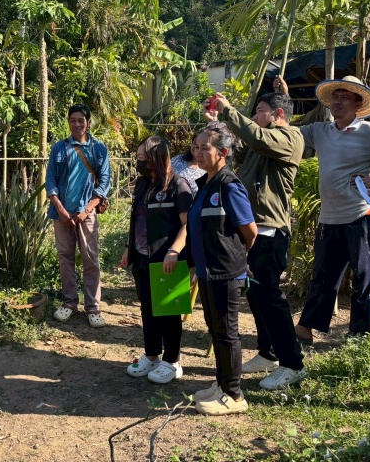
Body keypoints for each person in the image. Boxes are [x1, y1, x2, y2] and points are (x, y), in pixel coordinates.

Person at [276, 76, 370, 343]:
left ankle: (358, 336)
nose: (337, 102)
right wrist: (284, 100)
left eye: (345, 97)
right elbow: (288, 134)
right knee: (323, 276)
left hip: (361, 214)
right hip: (329, 216)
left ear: (358, 104)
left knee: (364, 278)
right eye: (335, 97)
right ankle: (306, 328)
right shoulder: (319, 131)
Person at [212, 91, 307, 390]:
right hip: (251, 230)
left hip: (270, 231)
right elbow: (241, 148)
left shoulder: (290, 137)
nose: (255, 116)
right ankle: (269, 353)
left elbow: (256, 136)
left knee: (270, 297)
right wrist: (217, 123)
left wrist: (230, 110)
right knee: (255, 296)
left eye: (260, 111)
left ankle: (293, 364)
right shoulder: (260, 142)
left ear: (278, 114)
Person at [189, 123, 257, 416]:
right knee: (215, 330)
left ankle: (234, 395)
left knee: (227, 333)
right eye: (196, 147)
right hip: (207, 271)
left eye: (205, 148)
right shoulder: (205, 184)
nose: (198, 152)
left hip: (226, 272)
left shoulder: (229, 186)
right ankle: (221, 383)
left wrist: (235, 260)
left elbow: (250, 232)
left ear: (223, 153)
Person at [122, 136, 192, 384]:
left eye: (143, 158)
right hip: (142, 257)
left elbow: (187, 225)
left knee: (169, 311)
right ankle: (152, 355)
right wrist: (129, 248)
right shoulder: (143, 184)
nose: (139, 162)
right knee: (148, 308)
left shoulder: (178, 185)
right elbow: (137, 219)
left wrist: (174, 251)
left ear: (157, 158)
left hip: (167, 260)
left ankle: (172, 362)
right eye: (138, 158)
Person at [46, 104, 111, 328]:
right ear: (68, 122)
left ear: (88, 123)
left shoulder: (99, 149)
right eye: (73, 120)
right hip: (62, 214)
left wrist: (86, 210)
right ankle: (69, 302)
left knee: (90, 259)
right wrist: (61, 209)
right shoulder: (59, 148)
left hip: (87, 213)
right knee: (65, 258)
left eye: (81, 120)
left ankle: (93, 307)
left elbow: (104, 183)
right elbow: (51, 180)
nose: (77, 124)